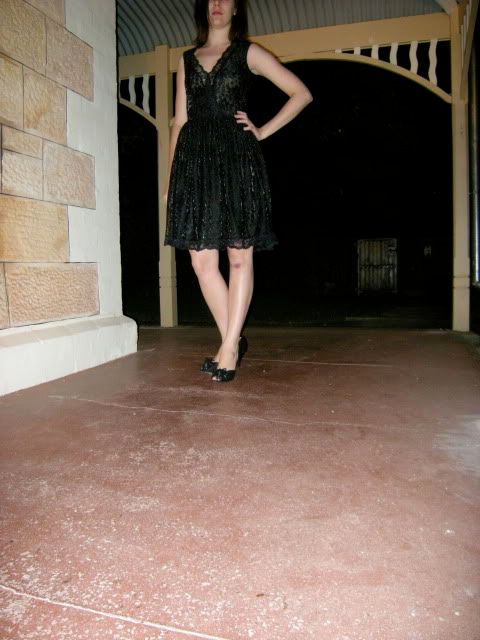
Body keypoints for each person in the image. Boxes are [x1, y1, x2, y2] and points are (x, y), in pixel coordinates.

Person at [164, 0, 312, 382]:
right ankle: (232, 338)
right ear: (204, 8)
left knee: (239, 257)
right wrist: (170, 180)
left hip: (236, 160)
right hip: (195, 164)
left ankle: (228, 346)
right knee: (201, 262)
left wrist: (262, 131)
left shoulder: (248, 53)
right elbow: (180, 121)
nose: (217, 4)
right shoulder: (186, 60)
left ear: (235, 9)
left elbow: (300, 93)